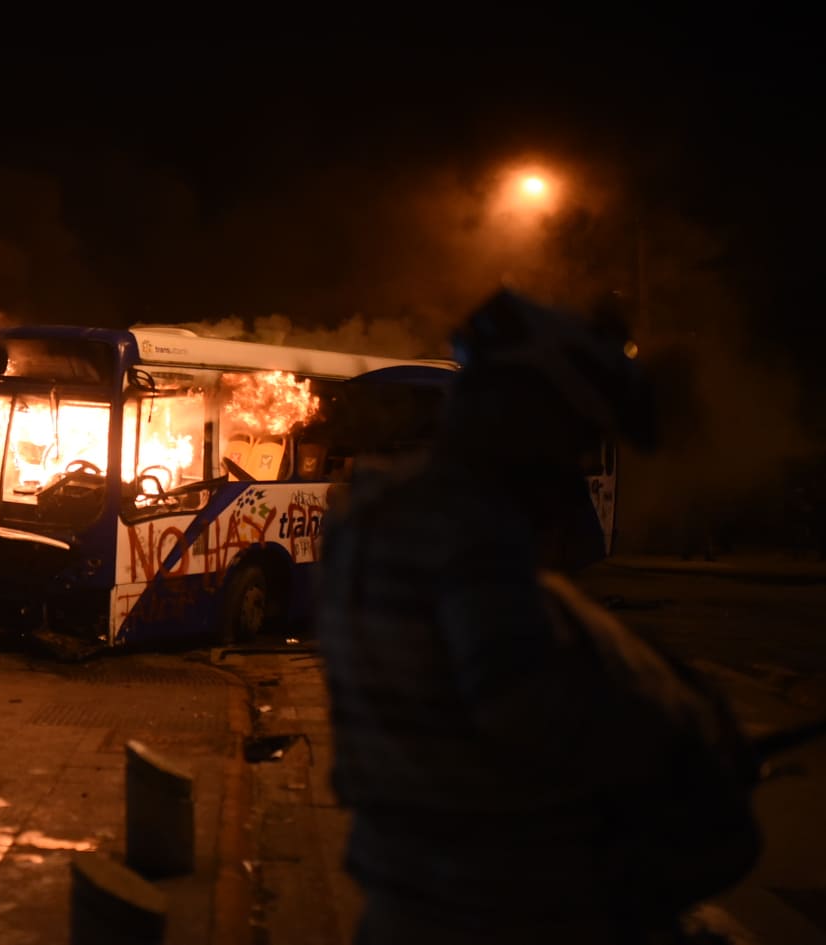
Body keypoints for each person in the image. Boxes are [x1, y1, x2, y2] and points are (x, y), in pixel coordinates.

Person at [315, 289, 760, 944]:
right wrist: (676, 734)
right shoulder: (472, 532)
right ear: (524, 419)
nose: (571, 473)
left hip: (405, 898)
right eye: (574, 442)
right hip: (509, 911)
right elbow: (524, 702)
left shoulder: (369, 517)